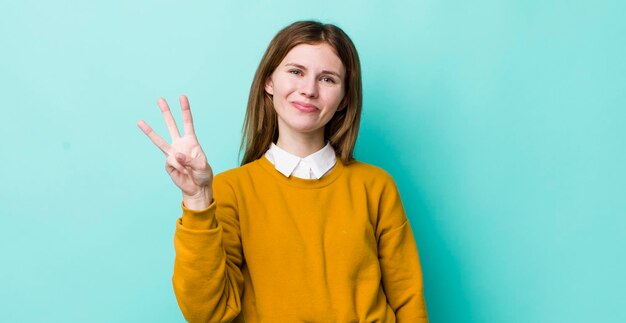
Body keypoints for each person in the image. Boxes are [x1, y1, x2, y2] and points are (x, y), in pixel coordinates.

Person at [138, 20, 428, 323]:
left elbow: (409, 301)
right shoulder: (229, 191)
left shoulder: (376, 186)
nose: (309, 90)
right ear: (269, 82)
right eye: (296, 72)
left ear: (344, 99)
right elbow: (206, 313)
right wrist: (197, 199)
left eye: (327, 79)